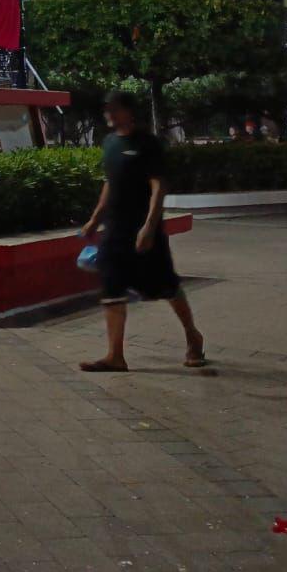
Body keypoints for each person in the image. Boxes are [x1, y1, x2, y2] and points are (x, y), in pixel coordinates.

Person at [78, 90, 205, 373]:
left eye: (115, 109)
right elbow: (109, 183)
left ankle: (193, 336)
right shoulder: (110, 143)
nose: (109, 114)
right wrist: (94, 219)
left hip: (143, 231)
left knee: (166, 285)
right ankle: (115, 355)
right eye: (106, 109)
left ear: (129, 111)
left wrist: (149, 226)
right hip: (114, 231)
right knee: (111, 287)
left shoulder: (148, 144)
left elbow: (158, 186)